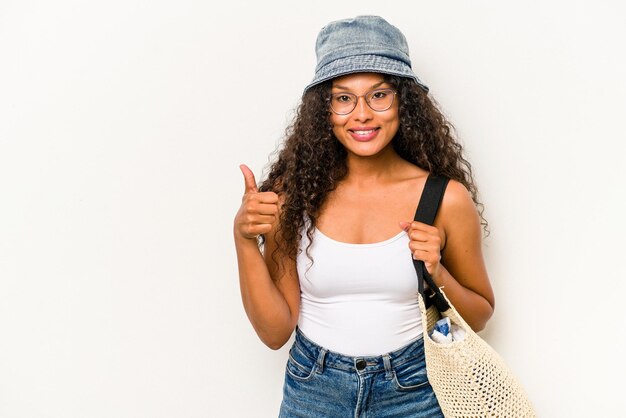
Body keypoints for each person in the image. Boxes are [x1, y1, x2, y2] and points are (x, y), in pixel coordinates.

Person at [233, 15, 495, 417]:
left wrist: (437, 271)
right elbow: (274, 332)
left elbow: (478, 315)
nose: (361, 114)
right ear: (325, 110)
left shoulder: (443, 198)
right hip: (313, 390)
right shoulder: (294, 197)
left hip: (415, 389)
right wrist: (245, 239)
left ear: (403, 101)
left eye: (379, 95)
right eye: (343, 98)